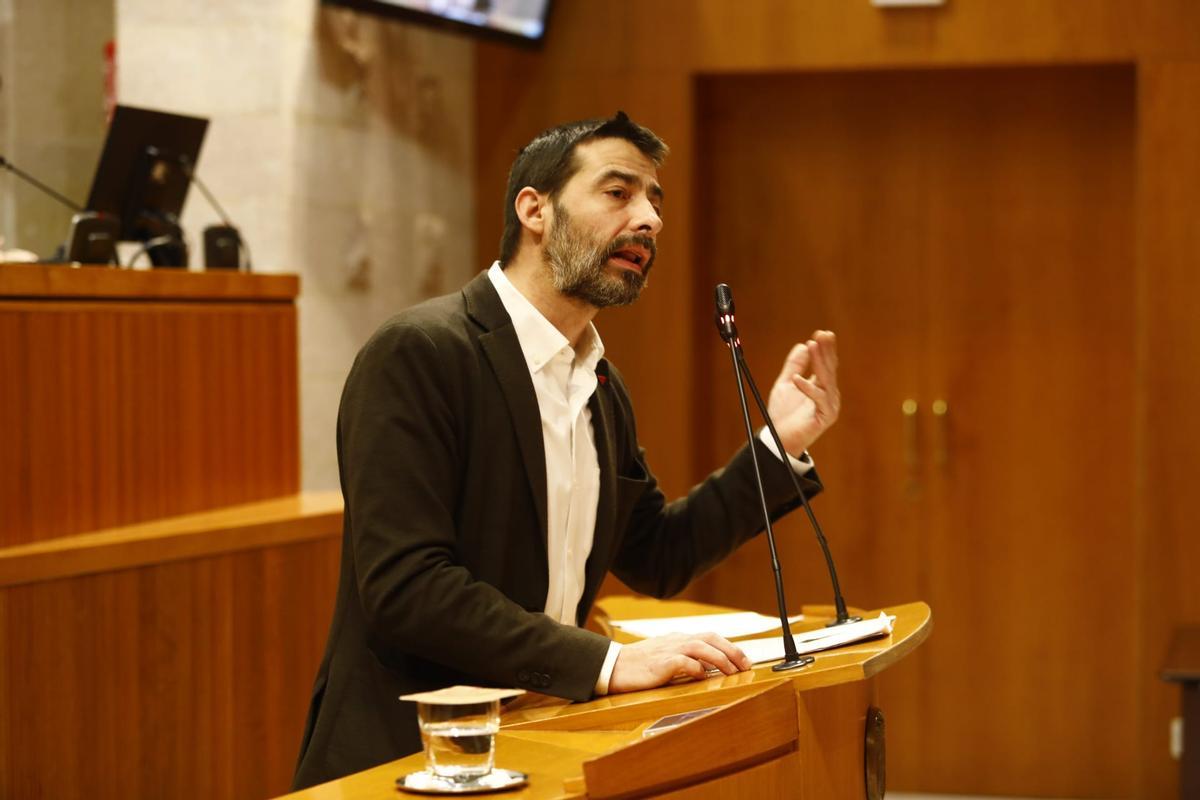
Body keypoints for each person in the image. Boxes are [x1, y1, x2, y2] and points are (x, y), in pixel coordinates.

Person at [291, 111, 841, 789]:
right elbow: (408, 589)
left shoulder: (599, 385)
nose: (649, 220)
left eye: (654, 200)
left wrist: (777, 444)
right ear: (535, 209)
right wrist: (605, 664)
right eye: (619, 193)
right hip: (410, 760)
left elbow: (657, 555)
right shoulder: (422, 353)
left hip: (543, 745)